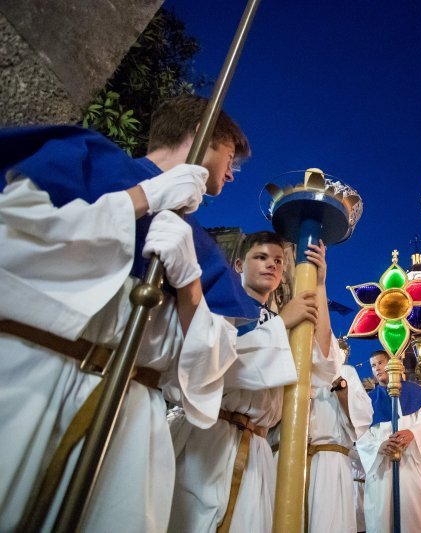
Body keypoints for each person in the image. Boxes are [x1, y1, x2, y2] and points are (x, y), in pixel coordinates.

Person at [0, 94, 251, 531]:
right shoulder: (87, 159)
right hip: (30, 376)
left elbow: (210, 365)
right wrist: (140, 198)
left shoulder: (200, 245)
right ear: (201, 135)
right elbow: (14, 244)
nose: (231, 174)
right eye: (230, 158)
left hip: (132, 416)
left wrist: (189, 281)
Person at [168, 230, 339, 532]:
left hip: (257, 447)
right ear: (238, 265)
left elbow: (323, 363)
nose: (271, 265)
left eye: (277, 261)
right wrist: (282, 323)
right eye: (260, 257)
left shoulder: (280, 316)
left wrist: (321, 286)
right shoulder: (222, 305)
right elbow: (217, 363)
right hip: (208, 435)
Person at [356, 350, 421, 533]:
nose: (377, 368)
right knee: (381, 521)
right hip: (382, 472)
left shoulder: (415, 392)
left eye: (381, 362)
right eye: (373, 365)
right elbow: (361, 436)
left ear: (393, 363)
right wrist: (379, 447)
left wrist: (412, 432)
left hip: (409, 470)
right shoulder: (368, 401)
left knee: (414, 520)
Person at [306, 357, 373, 531]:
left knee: (329, 521)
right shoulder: (294, 367)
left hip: (331, 461)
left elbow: (361, 419)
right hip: (294, 460)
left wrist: (339, 387)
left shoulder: (346, 372)